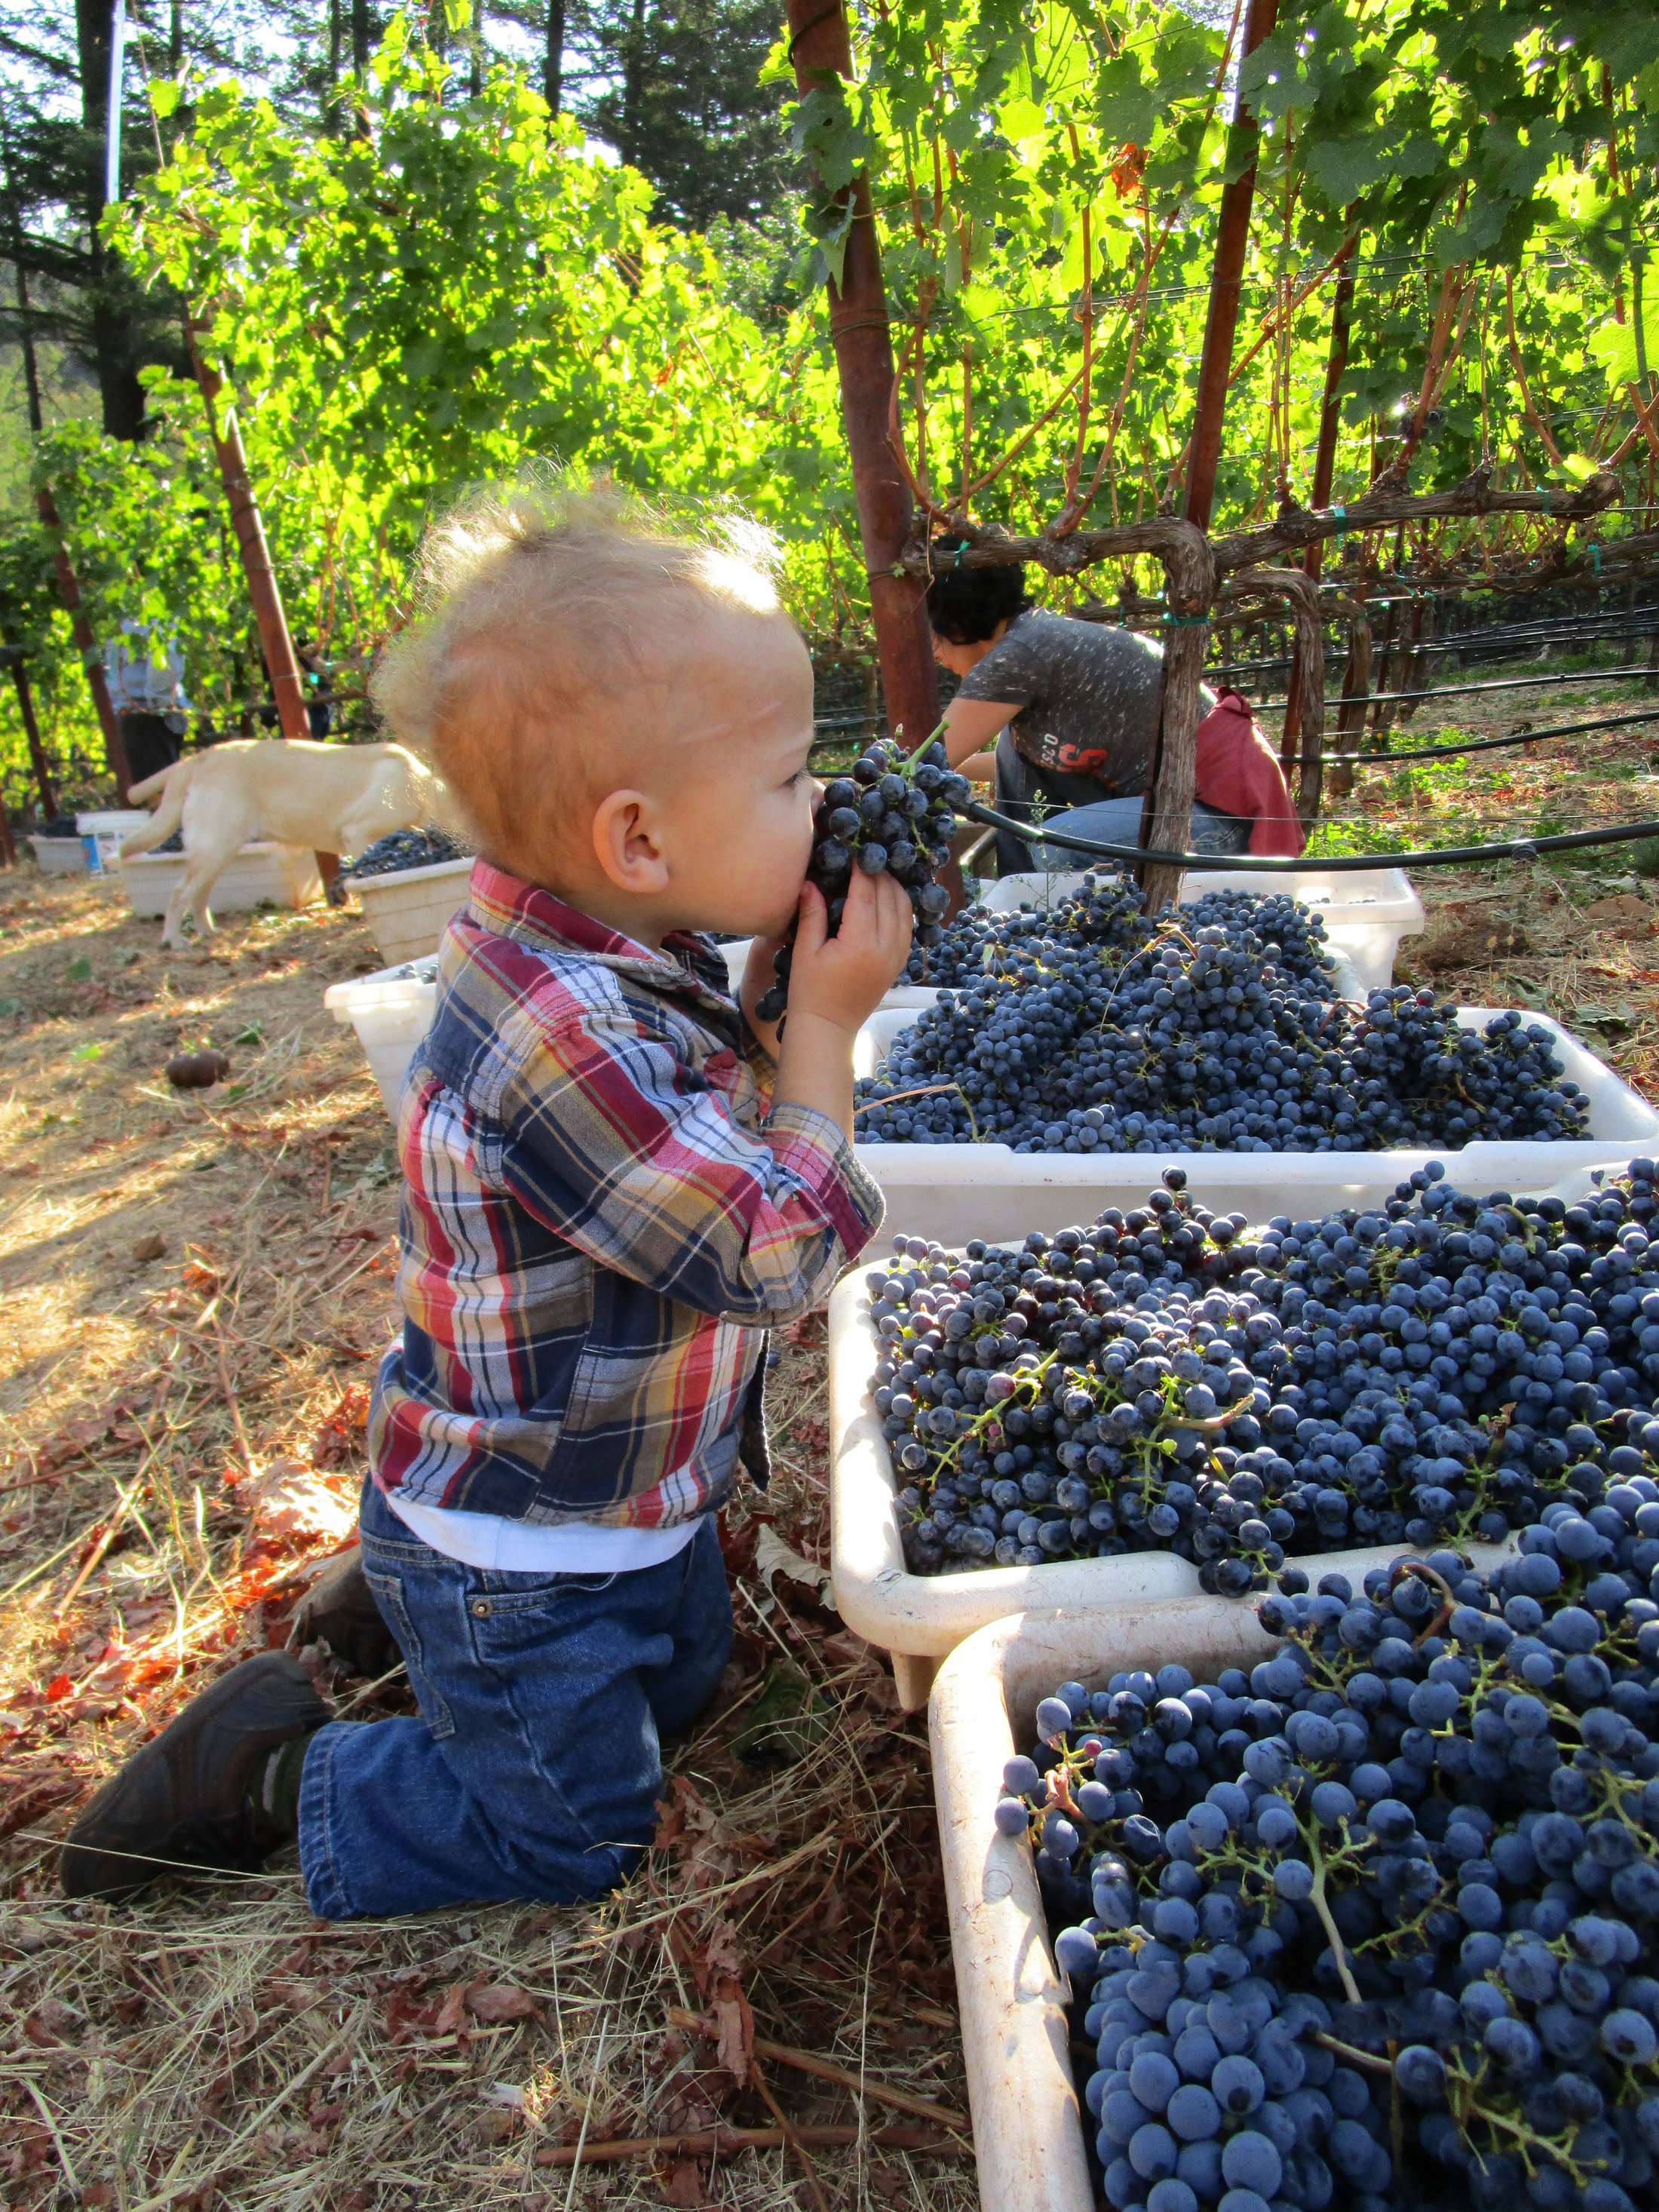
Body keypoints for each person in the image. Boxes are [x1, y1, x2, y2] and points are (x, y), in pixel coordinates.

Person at [60, 488, 911, 1916]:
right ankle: (288, 1769)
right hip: (532, 1544)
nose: (820, 802)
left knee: (690, 1683)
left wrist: (763, 1031)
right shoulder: (556, 1027)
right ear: (638, 838)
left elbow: (682, 1147)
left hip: (621, 1500)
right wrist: (821, 1038)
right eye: (789, 777)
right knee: (583, 1831)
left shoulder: (613, 942)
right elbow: (765, 1250)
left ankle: (397, 1610)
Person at [926, 549, 1303, 872]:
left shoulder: (1019, 655)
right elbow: (961, 761)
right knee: (1014, 748)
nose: (935, 653)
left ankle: (1028, 897)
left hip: (1219, 816)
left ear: (958, 622)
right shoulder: (1030, 637)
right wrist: (949, 768)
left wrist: (887, 778)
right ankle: (1019, 888)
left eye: (936, 637)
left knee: (1053, 850)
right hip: (1163, 797)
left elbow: (923, 760)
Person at [105, 619, 190, 786]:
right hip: (126, 721)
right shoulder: (115, 612)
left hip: (147, 723)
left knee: (154, 799)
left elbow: (165, 659)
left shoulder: (149, 607)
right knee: (137, 798)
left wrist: (152, 710)